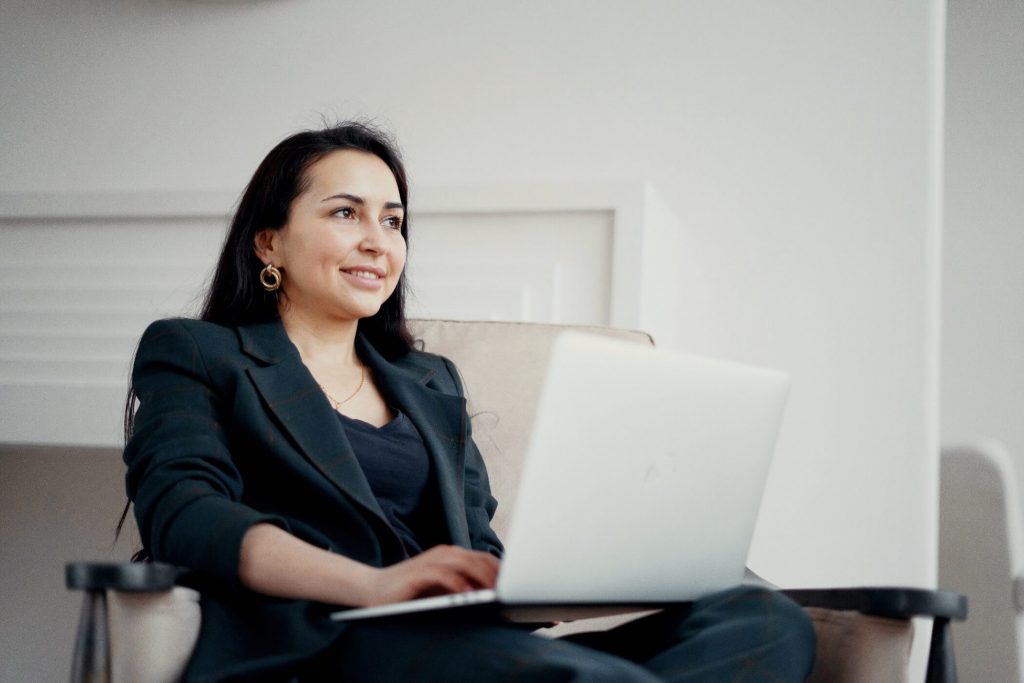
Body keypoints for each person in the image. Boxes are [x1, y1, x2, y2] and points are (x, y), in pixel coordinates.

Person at [123, 122, 816, 682]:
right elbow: (187, 514)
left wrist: (575, 563)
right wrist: (374, 584)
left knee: (763, 621)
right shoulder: (196, 352)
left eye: (393, 221)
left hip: (470, 643)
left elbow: (477, 543)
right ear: (269, 239)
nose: (377, 241)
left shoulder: (432, 382)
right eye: (345, 213)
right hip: (329, 641)